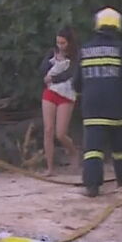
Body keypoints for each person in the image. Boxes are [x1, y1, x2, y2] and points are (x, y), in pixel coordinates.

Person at [73, 7, 122, 197]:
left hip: (92, 109)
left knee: (92, 150)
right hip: (117, 107)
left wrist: (83, 98)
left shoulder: (85, 50)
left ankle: (92, 185)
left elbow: (76, 83)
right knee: (121, 148)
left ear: (97, 25)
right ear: (117, 26)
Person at [39, 27, 79, 175]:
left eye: (63, 43)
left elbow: (71, 73)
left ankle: (73, 152)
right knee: (48, 129)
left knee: (60, 133)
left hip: (66, 93)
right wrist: (52, 64)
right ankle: (49, 167)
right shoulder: (52, 52)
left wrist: (54, 77)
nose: (60, 46)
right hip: (50, 91)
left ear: (69, 42)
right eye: (58, 42)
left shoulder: (75, 56)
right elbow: (42, 69)